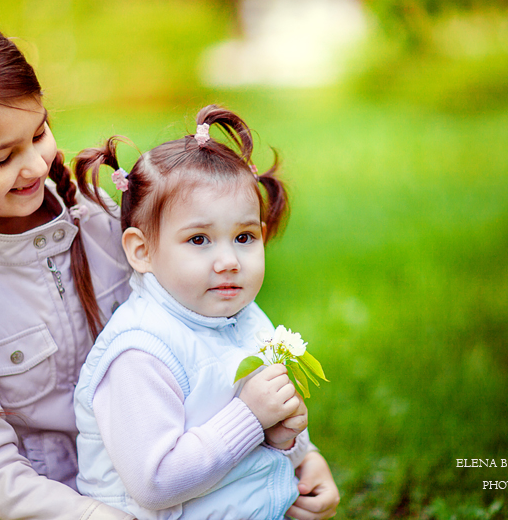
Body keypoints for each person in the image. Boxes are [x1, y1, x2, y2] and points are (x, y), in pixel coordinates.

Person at [0, 14, 338, 520]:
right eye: (0, 158)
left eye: (38, 133)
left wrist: (299, 458)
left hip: (171, 488)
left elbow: (214, 342)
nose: (33, 165)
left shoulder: (104, 218)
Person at [72, 105, 340, 519]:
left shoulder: (247, 320)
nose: (229, 260)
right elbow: (155, 483)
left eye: (244, 237)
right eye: (199, 240)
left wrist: (298, 452)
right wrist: (249, 416)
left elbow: (265, 423)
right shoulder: (140, 353)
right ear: (142, 251)